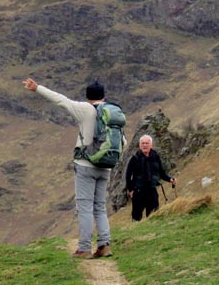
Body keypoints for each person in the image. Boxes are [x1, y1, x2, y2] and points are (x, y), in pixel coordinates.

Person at [22, 77, 115, 259]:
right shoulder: (112, 113)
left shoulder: (85, 109)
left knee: (85, 207)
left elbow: (61, 100)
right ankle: (104, 246)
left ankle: (84, 248)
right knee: (100, 207)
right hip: (106, 166)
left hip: (85, 165)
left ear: (88, 97)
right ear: (103, 96)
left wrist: (37, 88)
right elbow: (122, 140)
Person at [125, 134, 177, 221]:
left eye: (147, 143)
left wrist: (170, 179)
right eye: (142, 143)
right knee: (136, 218)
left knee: (154, 217)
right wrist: (130, 190)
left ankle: (153, 229)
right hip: (138, 192)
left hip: (152, 190)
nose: (144, 145)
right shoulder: (134, 158)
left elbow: (161, 173)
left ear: (151, 145)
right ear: (140, 145)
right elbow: (128, 175)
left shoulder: (155, 157)